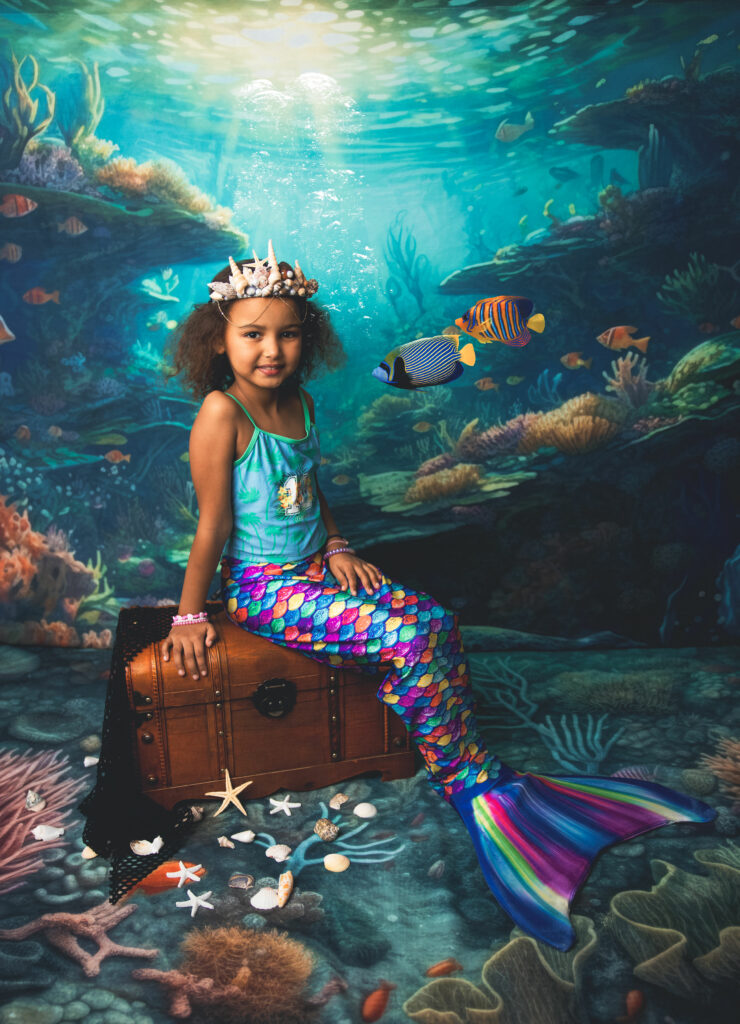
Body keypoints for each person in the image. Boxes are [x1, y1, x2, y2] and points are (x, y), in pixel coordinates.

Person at [159, 242, 716, 951]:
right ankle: (474, 789)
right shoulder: (220, 412)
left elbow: (310, 490)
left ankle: (470, 760)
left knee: (434, 619)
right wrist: (187, 615)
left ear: (310, 337)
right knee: (403, 639)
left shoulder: (298, 402)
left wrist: (337, 547)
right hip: (265, 589)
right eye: (252, 334)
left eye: (288, 332)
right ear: (219, 339)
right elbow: (213, 525)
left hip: (315, 569)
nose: (272, 349)